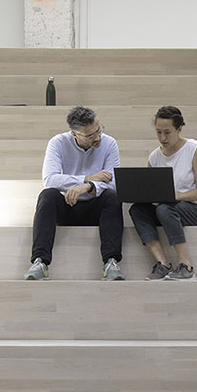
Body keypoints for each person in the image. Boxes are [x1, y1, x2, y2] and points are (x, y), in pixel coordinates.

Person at [26, 105, 125, 281]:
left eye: (98, 130)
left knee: (112, 197)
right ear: (74, 134)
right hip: (68, 206)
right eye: (90, 136)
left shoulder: (109, 143)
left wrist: (87, 186)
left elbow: (114, 183)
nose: (98, 137)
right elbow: (50, 179)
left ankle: (111, 262)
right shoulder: (58, 143)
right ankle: (40, 262)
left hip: (96, 207)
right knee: (47, 195)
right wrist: (87, 178)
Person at [130, 105, 197, 280]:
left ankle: (186, 265)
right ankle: (163, 263)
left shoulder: (194, 148)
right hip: (165, 208)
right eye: (158, 132)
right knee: (137, 209)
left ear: (179, 128)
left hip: (194, 209)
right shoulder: (154, 157)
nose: (162, 138)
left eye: (167, 132)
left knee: (165, 208)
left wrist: (174, 197)